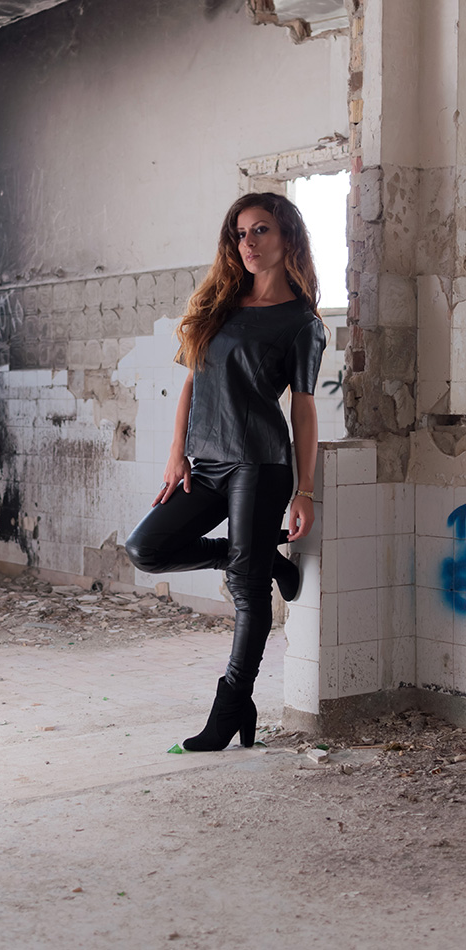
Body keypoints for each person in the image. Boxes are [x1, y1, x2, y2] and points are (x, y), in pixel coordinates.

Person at [125, 191, 326, 752]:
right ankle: (258, 558)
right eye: (240, 234)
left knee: (246, 590)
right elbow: (192, 380)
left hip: (260, 463)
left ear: (287, 237)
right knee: (146, 548)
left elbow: (304, 407)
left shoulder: (301, 322)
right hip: (206, 462)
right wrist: (176, 453)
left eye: (260, 230)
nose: (248, 243)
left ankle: (234, 703)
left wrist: (305, 489)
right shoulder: (219, 304)